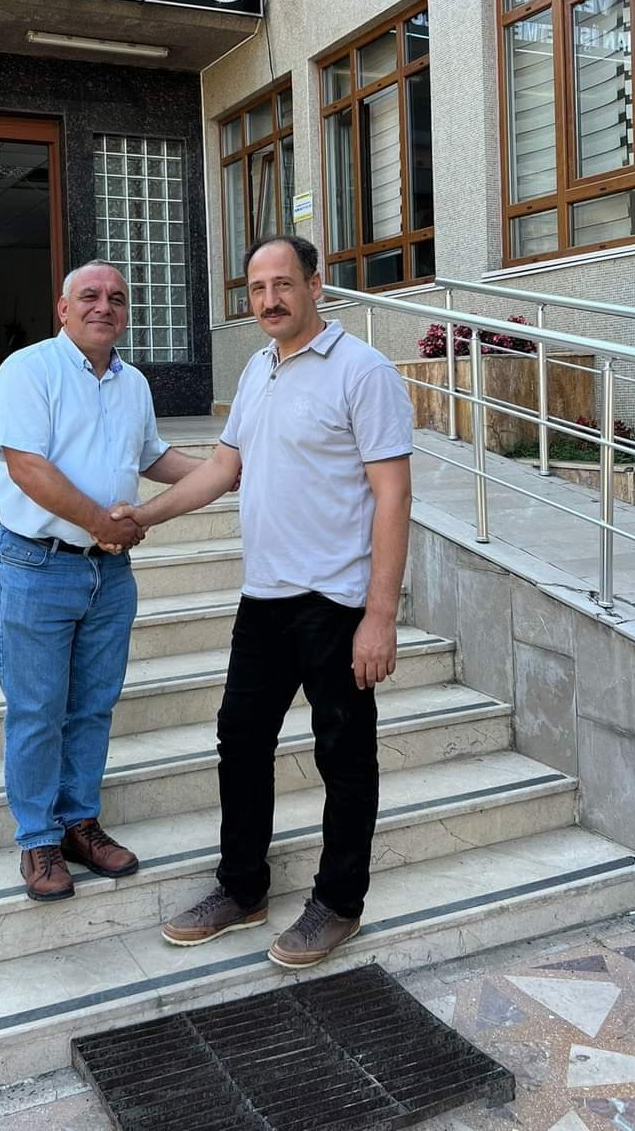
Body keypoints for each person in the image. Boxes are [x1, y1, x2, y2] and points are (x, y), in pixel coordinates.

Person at [116, 235, 413, 968]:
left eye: (283, 283)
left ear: (316, 285)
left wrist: (380, 616)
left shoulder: (363, 371)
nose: (270, 300)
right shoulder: (256, 369)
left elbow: (393, 495)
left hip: (337, 600)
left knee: (345, 755)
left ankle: (338, 903)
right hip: (265, 597)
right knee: (241, 741)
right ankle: (242, 887)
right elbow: (223, 468)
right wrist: (143, 518)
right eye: (256, 288)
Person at [0, 260, 202, 902]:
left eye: (116, 297)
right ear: (63, 308)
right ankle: (38, 839)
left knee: (93, 705)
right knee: (37, 709)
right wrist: (99, 523)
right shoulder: (28, 370)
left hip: (108, 573)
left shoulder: (133, 383)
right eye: (89, 295)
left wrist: (231, 467)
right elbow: (27, 467)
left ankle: (79, 822)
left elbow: (154, 457)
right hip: (38, 564)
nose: (103, 305)